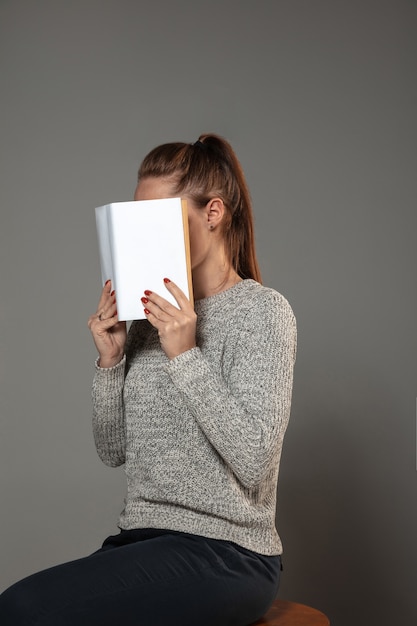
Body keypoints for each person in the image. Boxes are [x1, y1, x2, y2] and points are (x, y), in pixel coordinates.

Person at [0, 134, 297, 625]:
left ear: (213, 213)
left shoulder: (263, 313)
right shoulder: (145, 319)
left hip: (228, 552)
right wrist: (111, 362)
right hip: (140, 541)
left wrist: (186, 356)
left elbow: (256, 463)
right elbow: (112, 449)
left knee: (20, 611)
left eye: (157, 219)